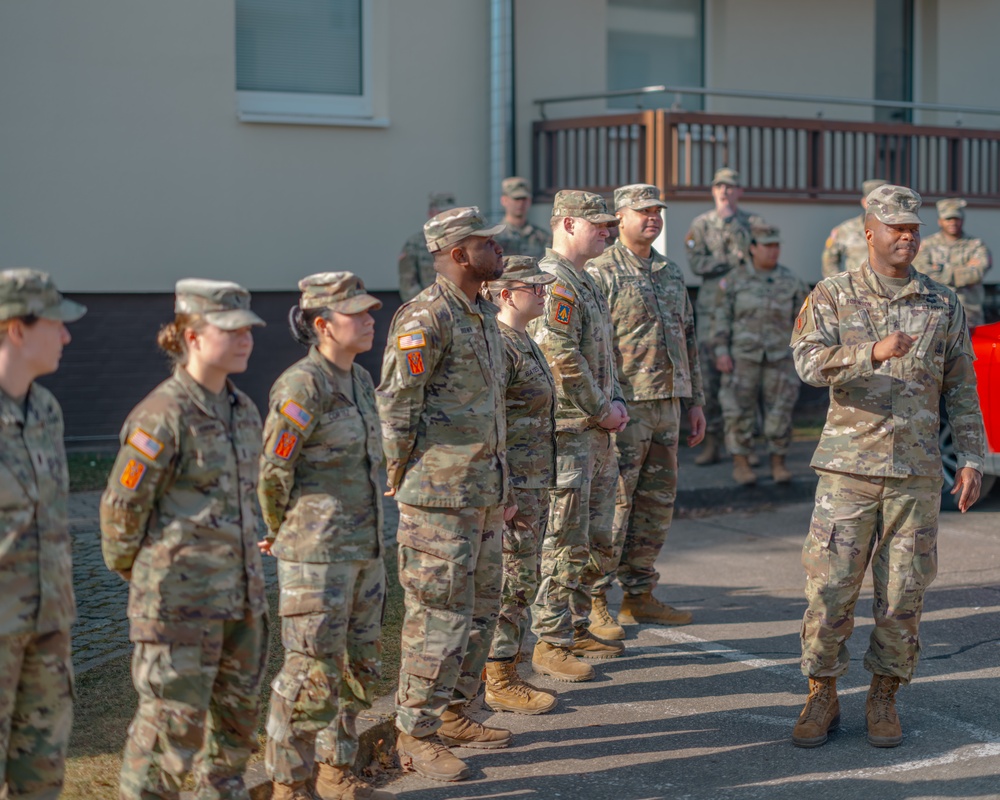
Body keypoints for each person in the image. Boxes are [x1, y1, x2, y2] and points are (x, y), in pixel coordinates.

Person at [789, 185, 985, 750]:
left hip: (917, 472)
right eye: (895, 227)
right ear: (868, 230)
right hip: (848, 470)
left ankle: (884, 695)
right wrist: (867, 353)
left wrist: (972, 455)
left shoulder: (943, 303)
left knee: (903, 594)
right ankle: (821, 692)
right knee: (830, 589)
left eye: (913, 228)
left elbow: (962, 387)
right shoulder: (832, 293)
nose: (907, 236)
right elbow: (805, 361)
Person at [100, 279, 269, 799]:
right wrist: (152, 577)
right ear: (193, 336)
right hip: (179, 604)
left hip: (241, 599)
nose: (245, 339)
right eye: (231, 329)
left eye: (249, 329)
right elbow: (120, 514)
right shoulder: (162, 415)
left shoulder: (242, 409)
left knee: (236, 728)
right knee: (169, 735)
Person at [378, 206, 511, 782]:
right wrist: (399, 475)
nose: (499, 251)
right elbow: (396, 405)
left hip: (482, 492)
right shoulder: (424, 317)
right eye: (488, 244)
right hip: (438, 498)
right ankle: (415, 732)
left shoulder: (481, 312)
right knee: (437, 617)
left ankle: (456, 712)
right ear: (458, 254)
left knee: (480, 612)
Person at [258, 273, 393, 800]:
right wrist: (279, 530)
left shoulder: (359, 378)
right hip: (316, 557)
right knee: (309, 674)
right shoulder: (302, 385)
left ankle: (338, 773)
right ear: (321, 325)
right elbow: (273, 471)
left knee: (359, 667)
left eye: (369, 311)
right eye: (356, 313)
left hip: (365, 551)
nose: (369, 320)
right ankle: (290, 785)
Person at [585, 184, 706, 638]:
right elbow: (591, 345)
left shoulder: (670, 272)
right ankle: (595, 599)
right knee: (615, 505)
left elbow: (689, 339)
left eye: (657, 211)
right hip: (625, 406)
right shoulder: (602, 272)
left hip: (668, 405)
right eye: (643, 212)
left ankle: (638, 594)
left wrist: (695, 403)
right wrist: (601, 404)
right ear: (619, 218)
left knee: (656, 505)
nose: (653, 218)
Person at [529, 190, 627, 684]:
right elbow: (560, 357)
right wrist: (600, 408)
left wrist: (618, 402)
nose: (608, 231)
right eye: (599, 224)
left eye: (611, 224)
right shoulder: (553, 284)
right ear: (567, 224)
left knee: (592, 535)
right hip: (570, 432)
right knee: (563, 538)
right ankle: (549, 640)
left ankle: (574, 625)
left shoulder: (584, 281)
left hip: (595, 432)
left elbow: (604, 356)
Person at [0, 269, 85, 799]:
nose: (67, 336)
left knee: (41, 778)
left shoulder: (47, 410)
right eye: (56, 323)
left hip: (48, 624)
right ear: (15, 328)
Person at [481, 256, 559, 716]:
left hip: (535, 483)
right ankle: (500, 676)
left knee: (522, 577)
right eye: (536, 287)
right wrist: (504, 490)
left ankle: (504, 668)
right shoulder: (502, 347)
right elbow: (491, 425)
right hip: (516, 488)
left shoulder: (523, 342)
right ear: (507, 294)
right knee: (512, 581)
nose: (544, 293)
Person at [713, 224, 809, 486]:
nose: (773, 251)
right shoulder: (734, 280)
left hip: (779, 357)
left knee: (780, 411)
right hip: (742, 358)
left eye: (776, 245)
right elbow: (721, 318)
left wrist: (802, 353)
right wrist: (721, 351)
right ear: (752, 248)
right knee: (737, 412)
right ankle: (741, 463)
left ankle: (778, 462)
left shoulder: (792, 281)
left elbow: (804, 322)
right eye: (767, 245)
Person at [685, 167, 764, 466]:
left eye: (730, 187)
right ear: (713, 190)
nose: (725, 192)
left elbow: (764, 255)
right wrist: (733, 260)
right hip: (710, 310)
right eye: (720, 186)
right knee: (709, 377)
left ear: (739, 192)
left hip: (745, 310)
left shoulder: (752, 223)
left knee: (745, 376)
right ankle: (712, 442)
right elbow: (697, 264)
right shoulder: (701, 225)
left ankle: (744, 446)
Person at [912, 197, 993, 328]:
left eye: (956, 219)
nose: (953, 223)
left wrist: (941, 271)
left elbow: (977, 273)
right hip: (934, 312)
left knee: (968, 347)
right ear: (940, 221)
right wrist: (963, 271)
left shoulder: (976, 245)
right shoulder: (927, 245)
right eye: (948, 219)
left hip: (968, 313)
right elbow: (921, 273)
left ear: (962, 220)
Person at [821, 178, 888, 279]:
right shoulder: (846, 229)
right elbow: (829, 260)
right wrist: (840, 285)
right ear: (864, 202)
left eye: (884, 201)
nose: (879, 205)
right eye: (874, 201)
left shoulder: (899, 229)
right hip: (857, 290)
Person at [398, 191, 456, 302]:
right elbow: (407, 284)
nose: (446, 218)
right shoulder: (415, 243)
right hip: (428, 308)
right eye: (442, 213)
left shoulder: (463, 241)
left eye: (451, 214)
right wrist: (425, 306)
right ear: (431, 214)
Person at [493, 177, 551, 260]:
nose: (520, 203)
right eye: (516, 199)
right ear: (504, 200)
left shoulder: (542, 238)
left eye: (524, 199)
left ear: (530, 201)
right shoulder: (495, 237)